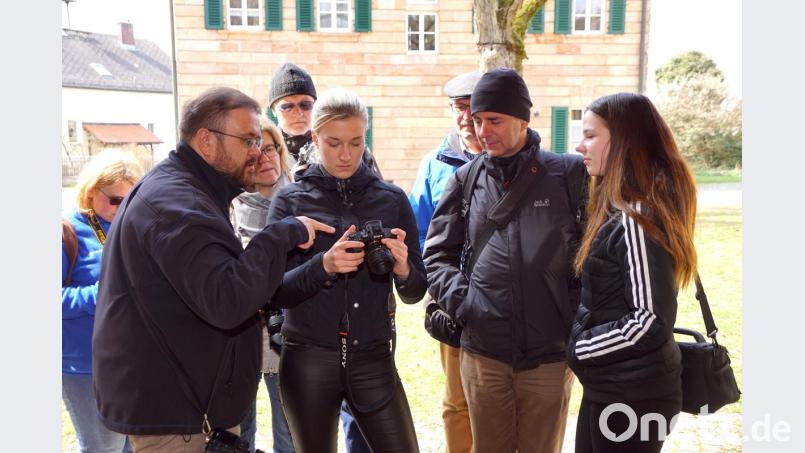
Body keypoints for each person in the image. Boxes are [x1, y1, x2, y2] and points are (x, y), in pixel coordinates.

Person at [92, 87, 334, 452]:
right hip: (178, 419)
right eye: (248, 140)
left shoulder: (185, 191)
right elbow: (227, 299)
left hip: (185, 407)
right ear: (206, 141)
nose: (257, 152)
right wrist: (281, 234)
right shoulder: (177, 205)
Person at [423, 68, 588, 453]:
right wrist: (468, 305)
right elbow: (436, 255)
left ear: (523, 119)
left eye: (494, 120)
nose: (482, 130)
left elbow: (594, 254)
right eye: (477, 120)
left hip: (549, 356)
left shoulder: (569, 175)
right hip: (484, 355)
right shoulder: (464, 180)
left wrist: (572, 315)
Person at [267, 88, 425, 453]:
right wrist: (323, 266)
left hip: (373, 357)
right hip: (308, 360)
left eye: (356, 142)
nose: (346, 154)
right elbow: (274, 292)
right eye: (334, 142)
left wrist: (402, 269)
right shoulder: (290, 200)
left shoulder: (391, 199)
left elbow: (415, 291)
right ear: (314, 137)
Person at [567, 92, 696, 453]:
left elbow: (650, 319)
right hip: (612, 388)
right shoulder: (619, 210)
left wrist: (580, 348)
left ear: (623, 141)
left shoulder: (636, 218)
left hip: (633, 398)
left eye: (590, 135)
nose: (580, 146)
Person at [268, 62, 376, 451]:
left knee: (359, 429)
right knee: (296, 433)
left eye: (304, 103)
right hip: (301, 331)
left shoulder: (364, 165)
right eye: (288, 105)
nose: (297, 112)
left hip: (364, 332)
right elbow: (267, 268)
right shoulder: (267, 153)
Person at [407, 71, 482, 453]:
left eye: (475, 107)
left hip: (504, 302)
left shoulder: (512, 160)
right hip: (452, 301)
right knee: (457, 401)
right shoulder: (434, 165)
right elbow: (418, 231)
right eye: (459, 107)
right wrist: (442, 283)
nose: (466, 117)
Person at [62, 149, 143, 453]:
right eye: (114, 200)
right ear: (91, 191)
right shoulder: (67, 231)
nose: (121, 207)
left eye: (130, 198)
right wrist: (99, 294)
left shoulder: (133, 225)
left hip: (131, 362)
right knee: (103, 448)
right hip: (85, 366)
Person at [233, 118, 295, 453]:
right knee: (241, 429)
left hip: (291, 329)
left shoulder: (302, 198)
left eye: (269, 148)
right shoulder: (228, 206)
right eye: (255, 153)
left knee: (289, 429)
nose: (265, 158)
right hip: (242, 331)